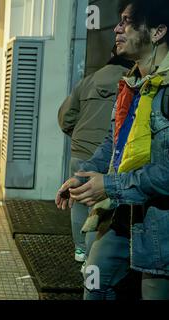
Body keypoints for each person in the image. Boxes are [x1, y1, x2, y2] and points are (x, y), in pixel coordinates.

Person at [56, 0, 169, 300]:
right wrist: (83, 176)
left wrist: (108, 185)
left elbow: (167, 174)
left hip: (161, 228)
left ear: (158, 31)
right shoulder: (131, 84)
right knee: (94, 280)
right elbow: (112, 143)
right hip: (124, 215)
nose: (117, 28)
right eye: (119, 21)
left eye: (128, 22)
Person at [58, 49, 133, 262]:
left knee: (79, 199)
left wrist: (80, 136)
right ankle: (94, 256)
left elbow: (66, 117)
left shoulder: (88, 81)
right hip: (111, 154)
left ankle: (80, 250)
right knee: (102, 208)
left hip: (81, 150)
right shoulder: (131, 83)